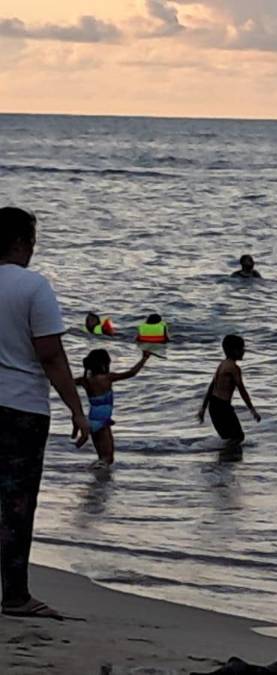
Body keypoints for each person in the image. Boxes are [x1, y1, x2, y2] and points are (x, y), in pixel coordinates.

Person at [0, 206, 89, 620]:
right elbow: (51, 356)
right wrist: (77, 409)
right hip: (21, 409)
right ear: (20, 242)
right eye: (31, 241)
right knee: (16, 503)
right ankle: (15, 596)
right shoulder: (33, 287)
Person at [75, 349, 151, 466]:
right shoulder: (107, 378)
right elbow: (131, 373)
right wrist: (144, 358)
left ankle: (97, 476)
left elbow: (66, 382)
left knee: (102, 456)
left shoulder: (85, 380)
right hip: (102, 420)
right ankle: (99, 478)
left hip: (93, 419)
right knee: (108, 458)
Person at [198, 335, 260, 448]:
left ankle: (223, 459)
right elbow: (242, 390)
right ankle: (222, 454)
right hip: (222, 407)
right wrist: (252, 410)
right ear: (234, 351)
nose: (244, 351)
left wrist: (203, 408)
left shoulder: (222, 364)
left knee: (230, 438)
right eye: (241, 348)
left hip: (214, 405)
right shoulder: (234, 368)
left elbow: (211, 387)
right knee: (238, 437)